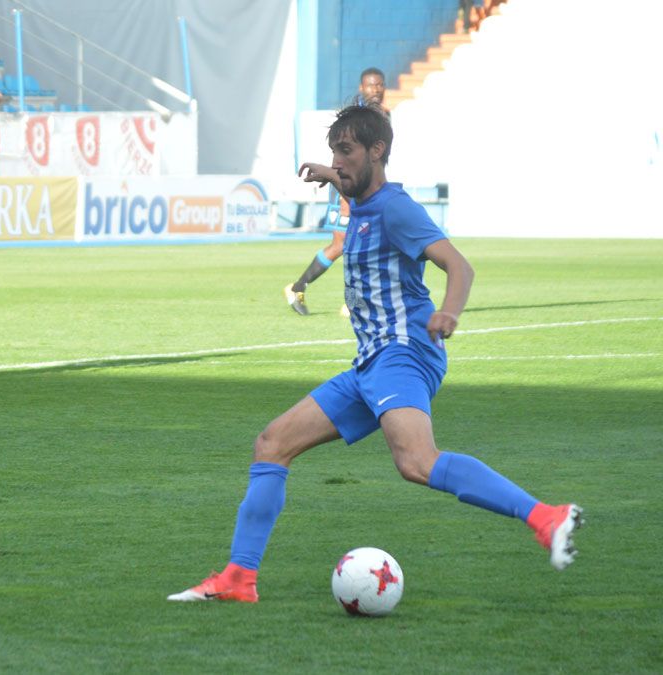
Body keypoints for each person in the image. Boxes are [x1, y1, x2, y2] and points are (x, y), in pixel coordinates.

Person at [168, 104, 583, 603]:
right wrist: (331, 173)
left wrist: (449, 313)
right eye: (333, 153)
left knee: (417, 461)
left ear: (377, 151)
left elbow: (460, 266)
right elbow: (351, 186)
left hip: (403, 352)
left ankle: (546, 517)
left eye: (346, 152)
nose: (337, 162)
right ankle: (239, 579)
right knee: (271, 444)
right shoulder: (360, 201)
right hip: (371, 361)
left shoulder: (395, 208)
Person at [284, 67, 387, 317]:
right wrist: (344, 194)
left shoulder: (383, 116)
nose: (376, 90)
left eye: (380, 85)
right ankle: (352, 302)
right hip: (349, 189)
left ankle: (299, 288)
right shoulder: (358, 120)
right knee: (352, 245)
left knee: (345, 245)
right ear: (362, 88)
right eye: (371, 86)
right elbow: (344, 157)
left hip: (368, 189)